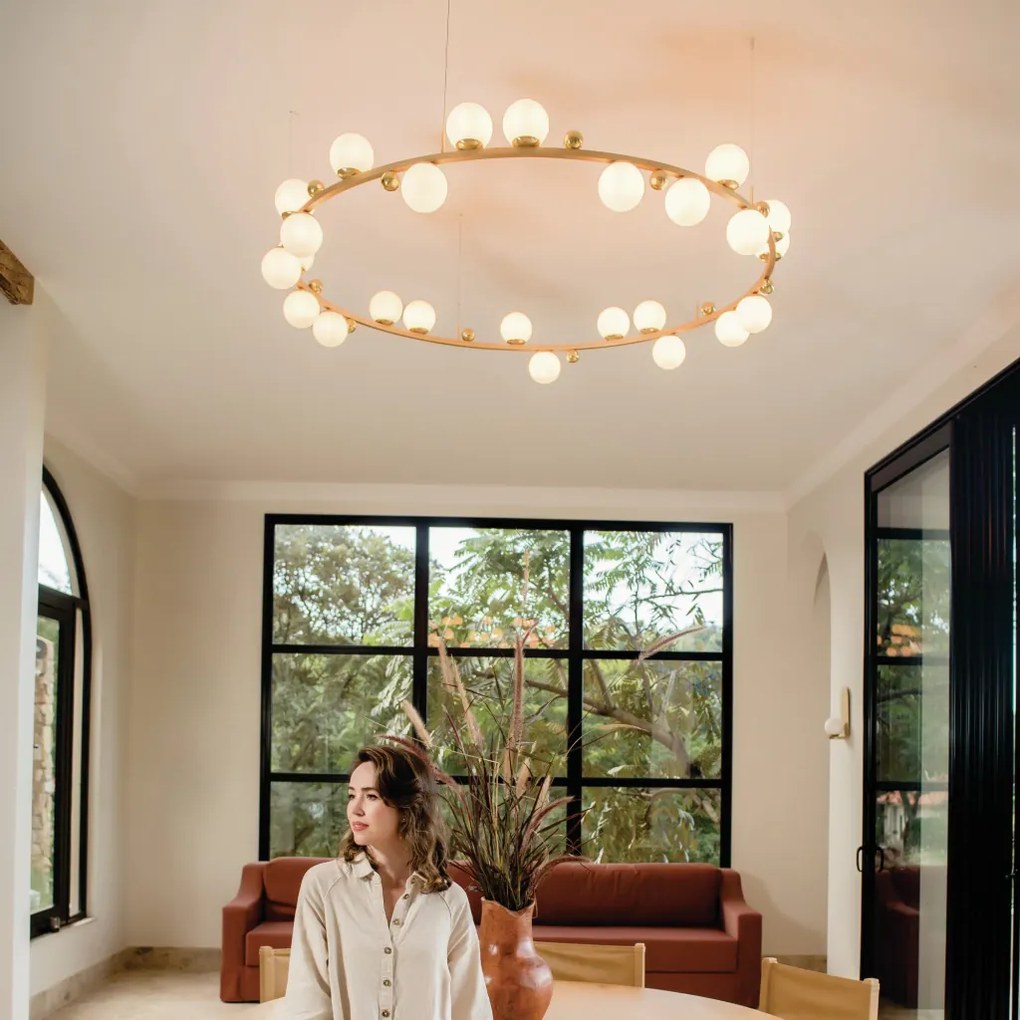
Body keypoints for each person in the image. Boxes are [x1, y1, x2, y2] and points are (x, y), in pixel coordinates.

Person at [282, 743, 492, 1020]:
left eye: (371, 796)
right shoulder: (322, 887)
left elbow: (470, 1007)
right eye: (351, 795)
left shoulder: (450, 900)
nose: (355, 809)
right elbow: (307, 1002)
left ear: (407, 806)